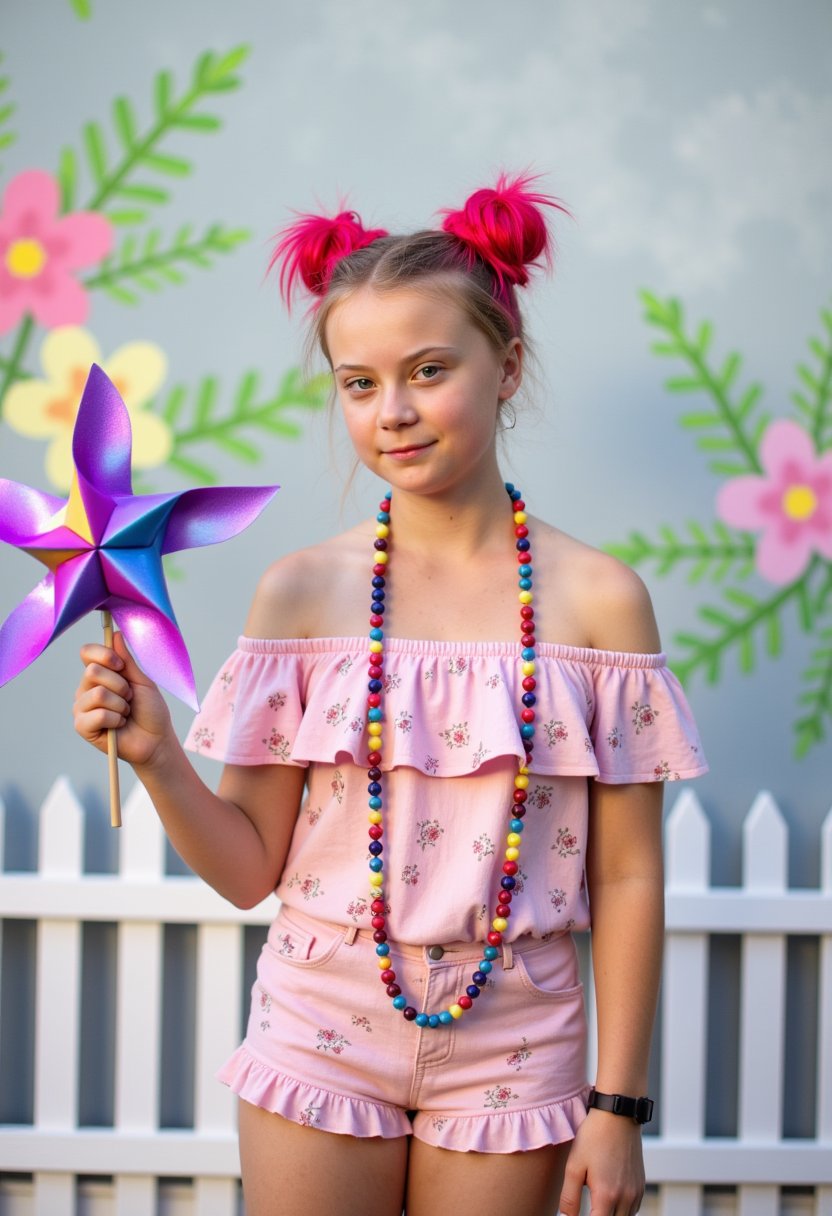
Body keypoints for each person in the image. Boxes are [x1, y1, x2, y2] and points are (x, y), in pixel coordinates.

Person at [74, 173, 707, 1216]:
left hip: (515, 1044)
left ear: (505, 368)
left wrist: (618, 1104)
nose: (394, 412)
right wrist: (155, 756)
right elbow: (246, 872)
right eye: (358, 383)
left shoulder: (599, 604)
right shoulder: (300, 594)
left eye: (427, 370)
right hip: (318, 1029)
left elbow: (630, 877)